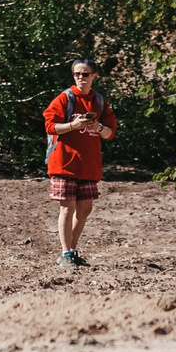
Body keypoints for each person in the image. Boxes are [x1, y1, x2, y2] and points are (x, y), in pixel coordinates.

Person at [44, 58, 117, 267]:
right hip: (64, 163)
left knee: (84, 210)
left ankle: (71, 251)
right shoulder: (64, 98)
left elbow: (110, 132)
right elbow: (50, 126)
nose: (81, 78)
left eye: (85, 74)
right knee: (66, 208)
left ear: (94, 76)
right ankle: (66, 253)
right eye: (77, 74)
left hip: (88, 165)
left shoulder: (99, 101)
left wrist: (98, 128)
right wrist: (72, 125)